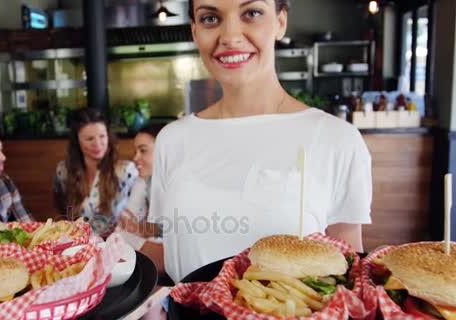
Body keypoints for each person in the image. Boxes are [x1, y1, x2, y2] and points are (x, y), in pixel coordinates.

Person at [148, 0, 372, 283]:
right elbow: (175, 249)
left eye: (251, 13)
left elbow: (348, 269)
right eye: (209, 18)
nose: (229, 36)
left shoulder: (337, 139)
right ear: (194, 31)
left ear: (280, 22)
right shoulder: (171, 140)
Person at [53, 108, 138, 236]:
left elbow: (141, 214)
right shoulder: (63, 171)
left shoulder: (126, 171)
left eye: (102, 136)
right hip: (77, 246)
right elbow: (63, 211)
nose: (98, 144)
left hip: (115, 246)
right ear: (77, 141)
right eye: (89, 139)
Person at [118, 123, 165, 274]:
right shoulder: (147, 179)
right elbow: (127, 221)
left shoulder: (179, 185)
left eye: (143, 151)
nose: (135, 157)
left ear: (164, 151)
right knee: (119, 238)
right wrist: (140, 230)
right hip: (159, 247)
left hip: (176, 255)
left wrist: (140, 230)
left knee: (119, 242)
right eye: (136, 151)